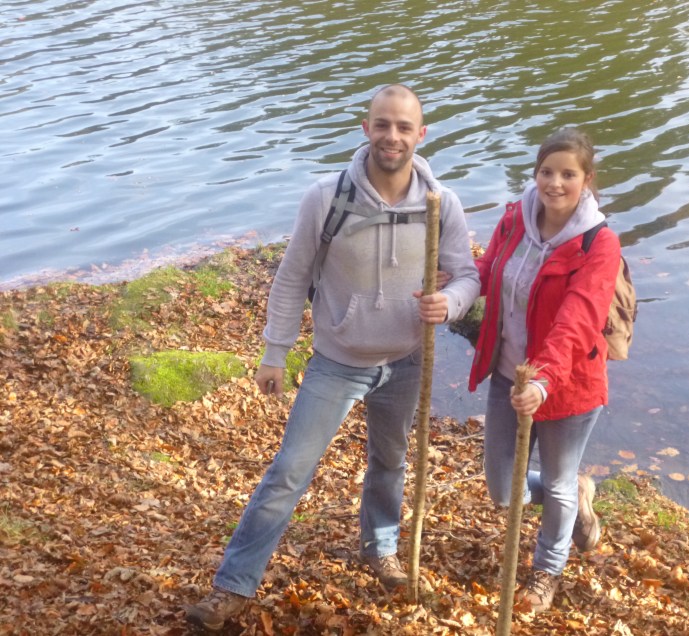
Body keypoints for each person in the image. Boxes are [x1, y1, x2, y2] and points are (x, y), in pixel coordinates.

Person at [185, 84, 480, 631]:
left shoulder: (442, 204)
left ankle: (381, 548)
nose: (392, 136)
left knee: (390, 463)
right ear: (366, 129)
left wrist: (452, 303)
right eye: (382, 124)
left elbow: (466, 274)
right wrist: (275, 352)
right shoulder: (328, 197)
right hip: (337, 361)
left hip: (407, 361)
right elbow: (292, 276)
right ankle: (232, 585)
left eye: (404, 126)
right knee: (289, 472)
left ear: (421, 134)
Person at [468, 127, 619, 613]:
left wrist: (544, 379)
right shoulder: (515, 218)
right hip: (509, 375)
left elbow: (579, 319)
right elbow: (490, 271)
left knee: (555, 483)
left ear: (587, 180)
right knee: (501, 487)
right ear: (535, 173)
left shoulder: (599, 244)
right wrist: (452, 287)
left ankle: (546, 571)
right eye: (547, 172)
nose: (555, 183)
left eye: (568, 174)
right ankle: (577, 493)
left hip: (568, 386)